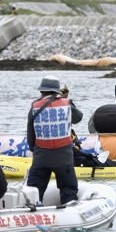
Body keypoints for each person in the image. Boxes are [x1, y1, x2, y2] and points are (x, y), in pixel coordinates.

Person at [26, 76, 83, 205]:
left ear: (42, 91)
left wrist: (34, 149)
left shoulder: (35, 106)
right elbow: (78, 118)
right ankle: (68, 216)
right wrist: (66, 99)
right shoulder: (66, 104)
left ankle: (33, 214)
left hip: (41, 157)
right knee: (68, 189)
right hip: (64, 158)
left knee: (34, 191)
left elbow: (31, 133)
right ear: (58, 91)